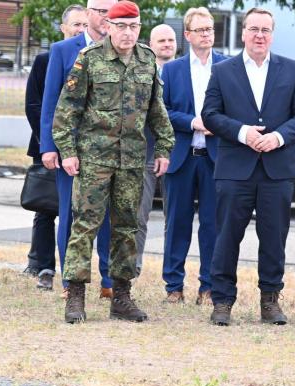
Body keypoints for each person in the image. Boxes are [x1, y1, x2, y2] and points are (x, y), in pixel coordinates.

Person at [52, 0, 174, 323]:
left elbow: (157, 111)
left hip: (132, 161)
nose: (128, 33)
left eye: (134, 27)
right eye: (122, 27)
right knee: (85, 225)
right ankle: (75, 295)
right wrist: (68, 151)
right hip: (94, 159)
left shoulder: (147, 61)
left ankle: (121, 295)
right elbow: (67, 112)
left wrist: (164, 147)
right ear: (109, 27)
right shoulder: (89, 60)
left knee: (126, 228)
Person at [201, 7, 295, 326]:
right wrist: (243, 133)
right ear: (243, 33)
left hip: (277, 170)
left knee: (274, 237)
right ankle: (222, 301)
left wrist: (278, 137)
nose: (259, 35)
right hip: (236, 169)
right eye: (253, 29)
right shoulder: (224, 71)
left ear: (272, 34)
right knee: (226, 237)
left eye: (265, 30)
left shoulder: (292, 70)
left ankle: (270, 301)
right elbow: (210, 114)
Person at [41, 0, 118, 299]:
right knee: (70, 216)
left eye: (110, 12)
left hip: (110, 151)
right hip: (71, 150)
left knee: (109, 217)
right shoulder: (63, 50)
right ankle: (70, 282)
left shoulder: (121, 47)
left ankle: (108, 280)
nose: (105, 17)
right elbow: (51, 102)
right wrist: (49, 146)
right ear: (87, 14)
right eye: (99, 10)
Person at [161, 8, 227, 305]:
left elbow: (235, 109)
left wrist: (218, 124)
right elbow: (161, 111)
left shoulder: (227, 66)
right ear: (186, 35)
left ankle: (209, 286)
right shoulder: (172, 70)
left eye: (210, 29)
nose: (207, 35)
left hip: (215, 158)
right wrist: (193, 122)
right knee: (177, 223)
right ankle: (173, 286)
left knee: (213, 226)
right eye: (200, 30)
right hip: (182, 156)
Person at [23, 6, 90, 291]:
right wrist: (50, 143)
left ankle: (74, 268)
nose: (80, 28)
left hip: (83, 149)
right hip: (49, 145)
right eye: (75, 24)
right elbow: (36, 105)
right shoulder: (46, 59)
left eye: (84, 24)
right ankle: (42, 264)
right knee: (47, 206)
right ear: (63, 28)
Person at [129, 23, 177, 280]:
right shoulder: (142, 70)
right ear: (151, 43)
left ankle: (171, 277)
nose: (167, 44)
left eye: (171, 40)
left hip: (175, 155)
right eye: (162, 41)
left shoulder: (183, 72)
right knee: (139, 216)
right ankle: (133, 269)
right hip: (146, 153)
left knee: (175, 219)